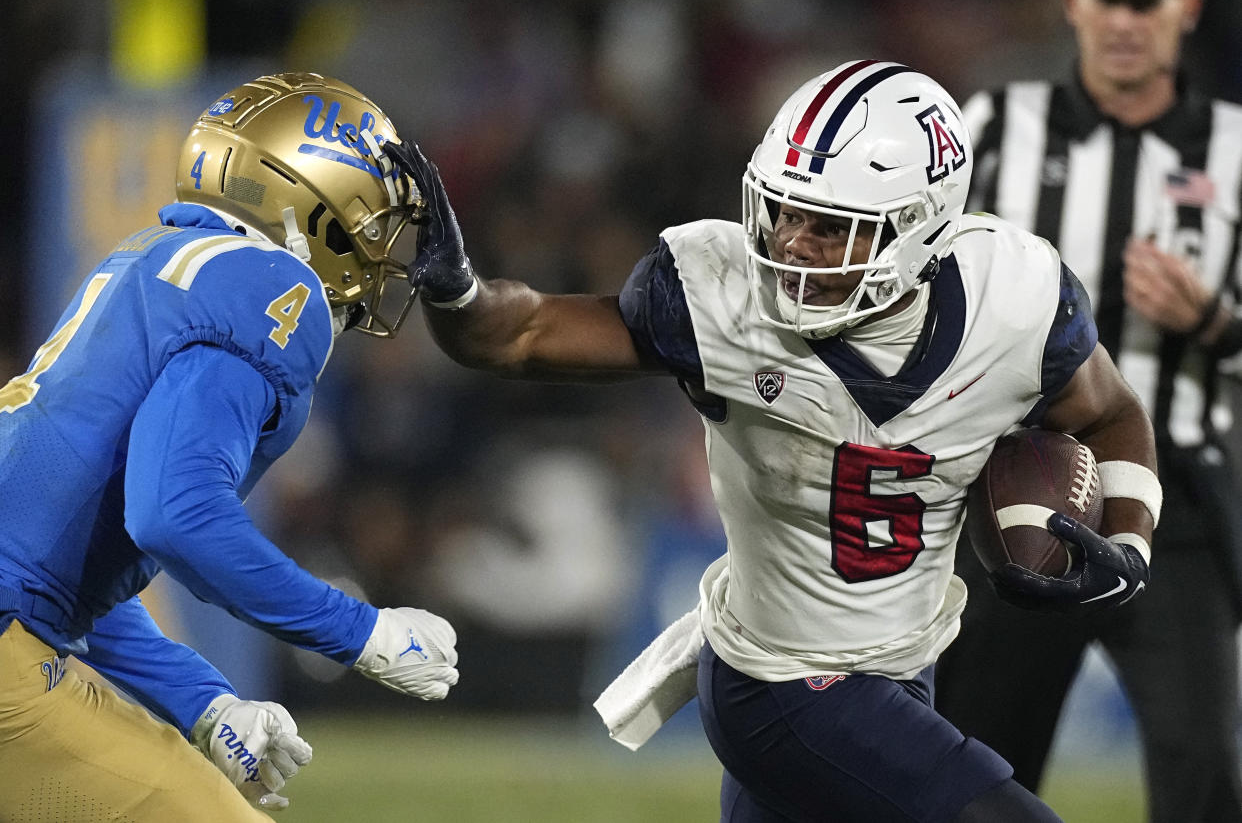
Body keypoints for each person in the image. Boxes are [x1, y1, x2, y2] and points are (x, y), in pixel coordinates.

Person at [387, 59, 1161, 822]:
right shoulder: (716, 297)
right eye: (783, 211)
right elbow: (519, 336)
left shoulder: (1015, 300)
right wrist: (459, 290)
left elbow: (1109, 412)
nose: (791, 244)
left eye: (830, 227)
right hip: (780, 682)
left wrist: (1129, 544)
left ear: (920, 230)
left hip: (905, 666)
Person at [0, 73, 459, 820]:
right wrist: (359, 631)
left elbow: (56, 562)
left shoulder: (152, 258)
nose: (383, 253)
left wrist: (204, 702)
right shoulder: (273, 286)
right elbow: (174, 513)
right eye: (374, 224)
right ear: (316, 206)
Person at [933, 0, 1242, 819]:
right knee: (979, 761)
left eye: (1148, 1)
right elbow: (918, 283)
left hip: (1177, 504)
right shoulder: (992, 124)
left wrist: (1212, 322)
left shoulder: (1236, 147)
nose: (1126, 21)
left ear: (1189, 7)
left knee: (1206, 767)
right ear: (1072, 4)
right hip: (1015, 480)